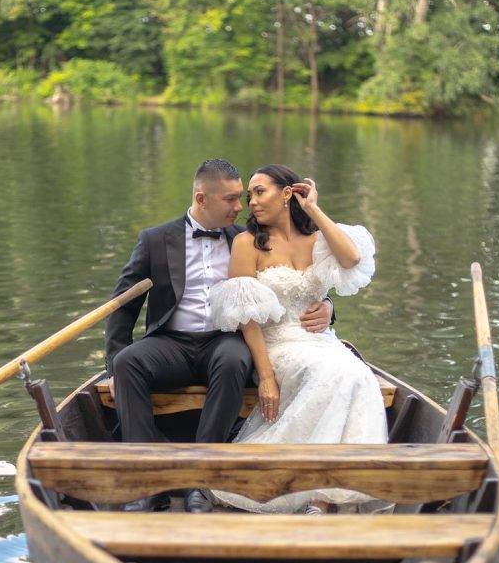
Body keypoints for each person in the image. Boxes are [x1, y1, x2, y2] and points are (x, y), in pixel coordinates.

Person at [104, 158, 334, 513]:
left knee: (234, 360)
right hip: (171, 342)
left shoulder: (246, 239)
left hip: (223, 339)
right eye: (230, 199)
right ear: (202, 199)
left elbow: (297, 275)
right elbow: (123, 305)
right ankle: (147, 479)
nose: (240, 207)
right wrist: (111, 368)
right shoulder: (154, 240)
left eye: (241, 197)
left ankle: (201, 480)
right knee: (127, 363)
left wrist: (330, 307)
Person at [208, 163, 388, 514]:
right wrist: (267, 377)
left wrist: (313, 209)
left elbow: (351, 258)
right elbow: (247, 319)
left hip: (322, 343)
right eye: (249, 196)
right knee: (336, 375)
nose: (252, 203)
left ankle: (321, 498)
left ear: (287, 193)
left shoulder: (318, 239)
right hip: (276, 346)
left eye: (260, 192)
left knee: (358, 375)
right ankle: (310, 492)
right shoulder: (247, 244)